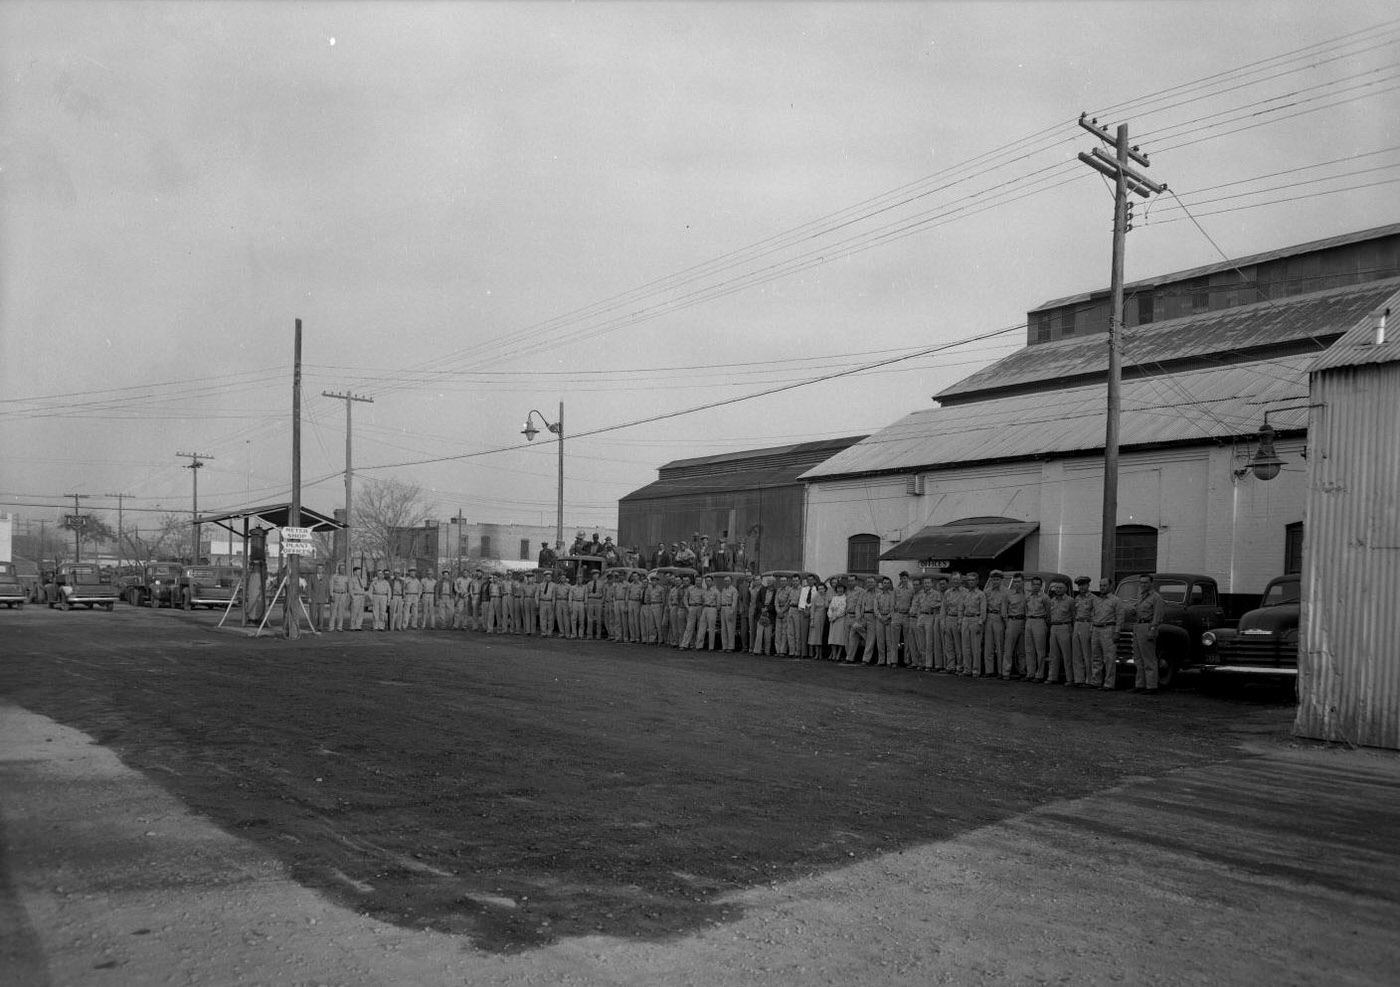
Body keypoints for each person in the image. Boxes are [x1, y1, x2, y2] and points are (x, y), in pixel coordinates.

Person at [1131, 574, 1166, 694]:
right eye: (1141, 583)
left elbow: (1158, 616)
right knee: (1138, 658)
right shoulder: (1140, 596)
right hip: (1138, 626)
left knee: (1149, 659)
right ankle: (1140, 684)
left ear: (1151, 583)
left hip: (1147, 626)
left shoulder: (1156, 598)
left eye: (1145, 583)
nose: (1143, 585)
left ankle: (1151, 686)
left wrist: (1152, 630)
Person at [1091, 577, 1123, 689]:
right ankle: (1096, 681)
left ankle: (1109, 683)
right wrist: (1092, 629)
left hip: (1108, 629)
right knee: (1096, 657)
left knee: (1109, 658)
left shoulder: (1116, 600)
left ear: (1110, 586)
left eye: (1104, 585)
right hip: (1096, 629)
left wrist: (1117, 631)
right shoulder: (1096, 600)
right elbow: (1093, 615)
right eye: (1100, 586)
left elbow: (1120, 617)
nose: (1102, 588)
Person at [1046, 580, 1074, 684]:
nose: (1058, 590)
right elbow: (1049, 615)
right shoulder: (1052, 601)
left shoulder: (1070, 601)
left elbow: (1074, 615)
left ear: (1065, 589)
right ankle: (1052, 677)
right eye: (1056, 588)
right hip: (1054, 627)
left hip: (1065, 627)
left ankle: (1070, 678)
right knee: (1053, 654)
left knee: (1067, 655)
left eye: (1060, 588)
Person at [1070, 576, 1095, 686]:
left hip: (1087, 623)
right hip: (1077, 624)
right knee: (1077, 653)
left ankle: (1089, 679)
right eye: (1079, 585)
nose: (1081, 587)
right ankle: (1078, 679)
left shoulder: (1093, 598)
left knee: (1087, 653)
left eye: (1083, 584)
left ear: (1088, 585)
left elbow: (1094, 614)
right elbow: (1074, 613)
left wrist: (1091, 629)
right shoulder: (1077, 598)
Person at [1024, 576, 1050, 681]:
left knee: (1040, 650)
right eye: (1034, 584)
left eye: (1038, 584)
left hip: (1040, 621)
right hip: (1029, 620)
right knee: (1029, 649)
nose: (1035, 586)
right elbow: (1026, 608)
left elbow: (1049, 612)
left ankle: (1039, 674)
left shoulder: (1045, 597)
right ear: (1031, 585)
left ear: (1041, 585)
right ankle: (1030, 673)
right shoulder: (1028, 597)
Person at [982, 570, 1007, 676]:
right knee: (988, 645)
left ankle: (1001, 671)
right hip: (989, 617)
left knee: (1000, 645)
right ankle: (989, 670)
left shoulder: (1006, 592)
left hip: (999, 617)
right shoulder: (987, 592)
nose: (995, 582)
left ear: (1001, 580)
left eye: (997, 579)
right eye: (993, 580)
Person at [1002, 573, 1026, 679]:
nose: (1017, 584)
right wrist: (1007, 623)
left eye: (1019, 581)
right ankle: (1006, 671)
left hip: (1024, 622)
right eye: (1015, 582)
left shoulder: (1028, 595)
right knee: (1008, 649)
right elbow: (1004, 610)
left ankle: (1023, 671)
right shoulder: (1008, 595)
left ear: (1023, 582)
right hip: (1012, 621)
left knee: (1023, 649)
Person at [890, 572, 915, 667]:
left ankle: (906, 660)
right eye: (901, 578)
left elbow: (913, 602)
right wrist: (893, 615)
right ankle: (894, 661)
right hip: (897, 615)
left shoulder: (911, 590)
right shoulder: (896, 590)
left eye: (905, 578)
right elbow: (892, 603)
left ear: (908, 579)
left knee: (907, 639)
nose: (903, 580)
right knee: (894, 640)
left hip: (906, 616)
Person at [873, 576, 895, 666]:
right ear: (882, 584)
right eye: (884, 583)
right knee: (880, 641)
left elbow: (893, 607)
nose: (886, 585)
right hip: (879, 619)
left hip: (889, 619)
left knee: (889, 640)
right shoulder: (878, 595)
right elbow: (875, 608)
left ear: (890, 584)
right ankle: (881, 660)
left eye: (887, 583)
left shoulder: (893, 595)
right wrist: (880, 617)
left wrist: (888, 617)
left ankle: (889, 660)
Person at [679, 575, 705, 649]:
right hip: (691, 607)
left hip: (700, 607)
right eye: (697, 580)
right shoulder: (690, 589)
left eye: (700, 580)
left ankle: (698, 645)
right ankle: (684, 644)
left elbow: (705, 600)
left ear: (702, 581)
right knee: (689, 627)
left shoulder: (704, 590)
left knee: (700, 627)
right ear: (695, 581)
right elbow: (685, 598)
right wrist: (687, 607)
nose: (698, 582)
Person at [752, 576, 776, 656]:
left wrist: (767, 609)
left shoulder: (776, 592)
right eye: (768, 581)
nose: (768, 583)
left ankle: (767, 651)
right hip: (761, 614)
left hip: (770, 614)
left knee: (767, 636)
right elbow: (758, 601)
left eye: (770, 581)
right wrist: (762, 608)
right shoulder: (762, 590)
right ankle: (757, 650)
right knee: (759, 634)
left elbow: (775, 603)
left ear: (773, 583)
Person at [807, 578, 828, 659]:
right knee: (816, 636)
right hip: (816, 617)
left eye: (822, 588)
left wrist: (825, 598)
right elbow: (812, 609)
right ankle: (817, 653)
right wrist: (812, 620)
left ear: (825, 589)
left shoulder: (826, 596)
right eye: (819, 589)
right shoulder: (815, 597)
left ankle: (822, 653)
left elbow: (826, 606)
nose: (821, 590)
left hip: (824, 617)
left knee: (822, 635)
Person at [643, 573, 666, 645]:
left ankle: (660, 639)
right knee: (651, 623)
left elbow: (663, 599)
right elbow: (648, 598)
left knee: (658, 624)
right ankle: (652, 639)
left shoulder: (661, 589)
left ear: (657, 581)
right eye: (652, 581)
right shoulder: (650, 589)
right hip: (651, 605)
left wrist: (662, 607)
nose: (653, 582)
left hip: (658, 605)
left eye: (655, 581)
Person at [699, 575, 720, 649]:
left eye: (709, 581)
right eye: (706, 581)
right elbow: (702, 600)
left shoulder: (716, 591)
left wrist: (716, 611)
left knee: (711, 628)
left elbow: (718, 603)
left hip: (712, 609)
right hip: (705, 608)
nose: (707, 582)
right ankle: (699, 645)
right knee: (701, 627)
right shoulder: (704, 591)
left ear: (712, 582)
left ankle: (711, 647)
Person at [329, 563, 350, 632]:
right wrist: (331, 595)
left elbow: (347, 587)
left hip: (343, 595)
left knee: (341, 612)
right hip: (336, 594)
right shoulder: (334, 576)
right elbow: (331, 586)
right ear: (338, 569)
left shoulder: (346, 577)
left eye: (344, 569)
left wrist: (347, 595)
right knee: (333, 611)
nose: (342, 570)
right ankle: (331, 627)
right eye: (341, 568)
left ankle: (339, 627)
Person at [585, 570, 605, 639]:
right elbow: (586, 593)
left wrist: (602, 601)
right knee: (589, 618)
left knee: (598, 618)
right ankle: (589, 635)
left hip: (598, 600)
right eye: (593, 575)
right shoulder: (589, 583)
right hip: (590, 600)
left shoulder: (602, 583)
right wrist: (586, 602)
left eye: (596, 574)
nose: (595, 576)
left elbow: (604, 593)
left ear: (598, 575)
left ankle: (598, 635)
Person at [626, 571, 644, 643]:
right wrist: (626, 604)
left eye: (636, 576)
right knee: (631, 621)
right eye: (633, 576)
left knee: (636, 620)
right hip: (631, 601)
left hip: (637, 602)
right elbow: (627, 594)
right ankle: (632, 637)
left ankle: (637, 637)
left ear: (639, 577)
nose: (635, 578)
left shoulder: (641, 585)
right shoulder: (630, 585)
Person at [567, 573, 587, 639]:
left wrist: (585, 605)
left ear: (582, 580)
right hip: (574, 602)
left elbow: (586, 597)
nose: (579, 580)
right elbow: (570, 597)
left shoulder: (585, 587)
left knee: (581, 620)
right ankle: (574, 634)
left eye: (581, 579)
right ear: (576, 580)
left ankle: (580, 635)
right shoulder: (572, 587)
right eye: (578, 579)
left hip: (581, 603)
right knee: (573, 619)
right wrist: (570, 606)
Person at [349, 565, 368, 631]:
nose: (359, 573)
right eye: (358, 571)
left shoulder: (361, 579)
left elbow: (363, 587)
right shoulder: (352, 579)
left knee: (360, 612)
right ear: (354, 572)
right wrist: (353, 597)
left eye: (360, 572)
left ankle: (358, 626)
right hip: (356, 596)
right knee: (354, 612)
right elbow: (350, 589)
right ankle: (352, 626)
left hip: (361, 597)